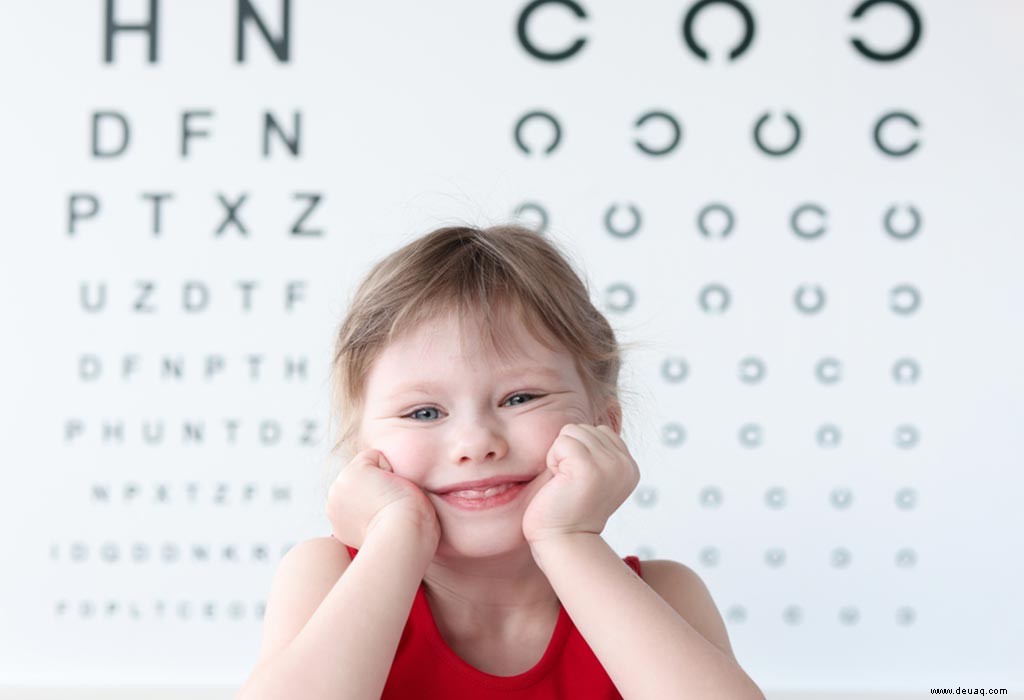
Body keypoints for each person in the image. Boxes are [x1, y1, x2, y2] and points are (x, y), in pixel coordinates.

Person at [236, 224, 765, 699]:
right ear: (362, 454)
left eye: (520, 398)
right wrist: (396, 535)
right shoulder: (327, 577)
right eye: (423, 412)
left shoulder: (665, 595)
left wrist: (568, 540)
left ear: (605, 425)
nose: (475, 443)